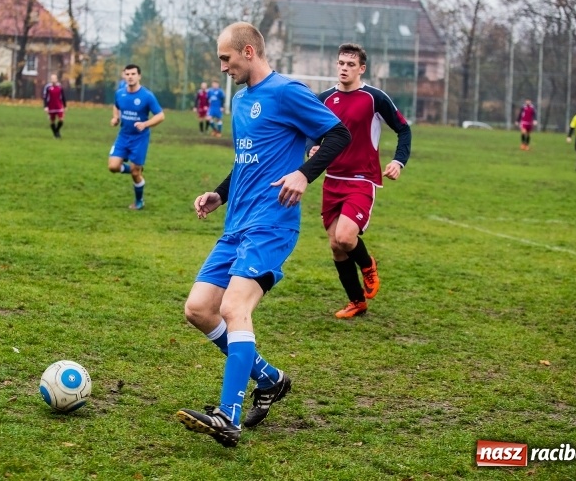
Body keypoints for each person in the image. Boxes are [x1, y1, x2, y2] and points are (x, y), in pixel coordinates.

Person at [175, 22, 351, 447]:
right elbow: (247, 161)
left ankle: (228, 415)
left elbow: (338, 133)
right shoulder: (240, 100)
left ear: (248, 51)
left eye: (226, 58)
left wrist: (304, 174)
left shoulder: (287, 91)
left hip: (272, 224)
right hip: (236, 224)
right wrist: (219, 194)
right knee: (199, 309)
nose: (222, 67)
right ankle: (270, 379)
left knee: (235, 308)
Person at [309, 43, 411, 319]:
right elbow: (311, 131)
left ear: (361, 68)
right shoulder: (325, 99)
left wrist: (398, 160)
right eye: (341, 63)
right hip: (332, 179)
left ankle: (368, 265)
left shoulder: (374, 98)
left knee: (345, 237)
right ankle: (357, 302)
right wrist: (313, 146)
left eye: (350, 64)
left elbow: (403, 129)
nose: (344, 68)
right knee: (335, 245)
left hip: (361, 179)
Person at [109, 64, 165, 210]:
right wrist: (115, 118)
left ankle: (139, 201)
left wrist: (145, 124)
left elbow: (160, 115)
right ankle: (136, 169)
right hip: (123, 136)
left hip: (139, 139)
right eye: (127, 74)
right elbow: (116, 106)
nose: (130, 76)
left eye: (133, 74)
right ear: (123, 76)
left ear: (139, 76)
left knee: (135, 174)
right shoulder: (120, 93)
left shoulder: (147, 96)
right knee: (113, 166)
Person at [43, 74, 67, 138]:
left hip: (58, 105)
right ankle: (56, 134)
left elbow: (63, 97)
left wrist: (65, 106)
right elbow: (45, 97)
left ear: (57, 79)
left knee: (61, 119)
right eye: (52, 79)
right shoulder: (47, 87)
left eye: (54, 78)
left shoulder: (60, 87)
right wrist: (45, 106)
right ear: (50, 80)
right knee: (52, 121)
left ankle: (56, 131)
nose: (53, 80)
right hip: (51, 106)